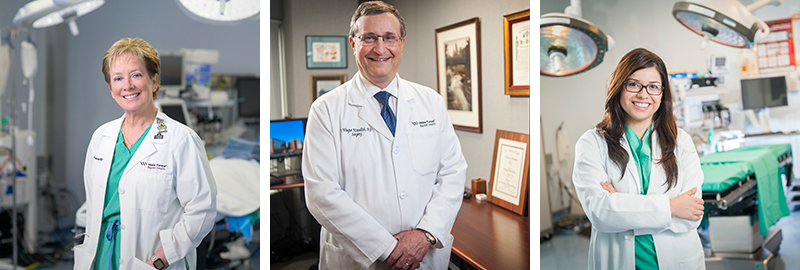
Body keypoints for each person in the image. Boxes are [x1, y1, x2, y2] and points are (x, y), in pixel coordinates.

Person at [302, 1, 468, 269]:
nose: (380, 48)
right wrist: (388, 248)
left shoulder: (431, 102)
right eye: (369, 38)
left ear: (402, 43)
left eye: (389, 37)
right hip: (359, 259)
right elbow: (322, 193)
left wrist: (426, 234)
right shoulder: (326, 109)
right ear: (353, 44)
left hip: (424, 255)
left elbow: (452, 172)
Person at [75, 37, 217, 270]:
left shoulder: (182, 140)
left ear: (154, 81)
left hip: (151, 263)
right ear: (111, 88)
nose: (127, 85)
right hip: (100, 257)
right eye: (118, 78)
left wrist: (161, 259)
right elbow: (94, 203)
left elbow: (202, 210)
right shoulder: (101, 138)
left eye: (136, 75)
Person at [572, 48, 706, 270]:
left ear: (662, 94)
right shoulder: (592, 143)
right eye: (633, 84)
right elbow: (601, 213)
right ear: (619, 87)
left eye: (654, 87)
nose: (644, 94)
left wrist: (622, 207)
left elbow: (691, 215)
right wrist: (671, 207)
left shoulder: (681, 141)